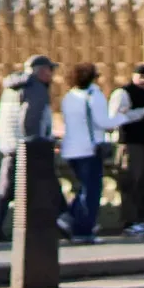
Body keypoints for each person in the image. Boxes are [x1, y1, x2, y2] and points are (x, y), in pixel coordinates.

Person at [0, 55, 58, 245]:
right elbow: (30, 120)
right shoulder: (36, 88)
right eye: (50, 70)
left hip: (9, 145)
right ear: (41, 71)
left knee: (6, 192)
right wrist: (35, 142)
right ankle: (64, 227)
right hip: (27, 148)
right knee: (46, 188)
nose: (52, 75)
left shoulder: (11, 87)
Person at [58, 63, 115, 243]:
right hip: (90, 149)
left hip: (71, 149)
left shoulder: (68, 96)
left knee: (84, 188)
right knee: (91, 191)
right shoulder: (94, 95)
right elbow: (104, 122)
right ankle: (83, 231)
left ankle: (69, 218)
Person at [108, 64, 144, 235]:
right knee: (130, 182)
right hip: (130, 143)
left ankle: (143, 219)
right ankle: (129, 221)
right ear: (133, 76)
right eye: (141, 77)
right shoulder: (123, 93)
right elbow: (115, 118)